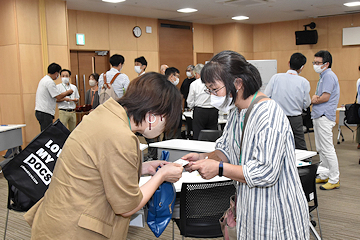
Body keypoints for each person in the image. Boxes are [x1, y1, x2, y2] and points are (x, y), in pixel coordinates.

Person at [24, 72, 184, 240]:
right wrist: (161, 175)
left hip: (57, 218)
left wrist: (144, 167)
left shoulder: (106, 114)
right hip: (74, 230)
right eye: (166, 122)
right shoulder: (121, 136)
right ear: (153, 117)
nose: (165, 128)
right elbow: (128, 206)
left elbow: (98, 164)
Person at [182, 50, 309, 239]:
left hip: (275, 212)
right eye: (209, 90)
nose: (212, 96)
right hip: (250, 207)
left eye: (215, 89)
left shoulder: (268, 114)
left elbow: (265, 173)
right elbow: (225, 148)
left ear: (238, 83)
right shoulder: (237, 112)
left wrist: (219, 168)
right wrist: (203, 158)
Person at [264, 52, 311, 150]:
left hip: (277, 117)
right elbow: (306, 103)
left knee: (276, 143)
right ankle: (305, 164)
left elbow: (266, 96)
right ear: (302, 67)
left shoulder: (276, 78)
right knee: (299, 144)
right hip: (295, 118)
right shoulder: (304, 82)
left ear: (289, 63)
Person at [312, 50, 340, 190]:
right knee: (321, 148)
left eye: (318, 63)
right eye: (314, 62)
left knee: (327, 149)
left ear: (326, 64)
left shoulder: (328, 76)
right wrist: (316, 98)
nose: (315, 65)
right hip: (319, 115)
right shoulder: (323, 76)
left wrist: (314, 99)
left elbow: (324, 97)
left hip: (324, 116)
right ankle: (324, 175)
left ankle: (334, 179)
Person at [35, 63, 74, 131]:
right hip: (45, 112)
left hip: (41, 111)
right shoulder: (50, 82)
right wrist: (67, 92)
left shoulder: (44, 79)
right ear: (56, 73)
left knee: (45, 132)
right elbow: (58, 97)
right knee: (47, 133)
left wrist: (65, 95)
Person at [187, 64, 219, 140]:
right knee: (212, 134)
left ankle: (198, 151)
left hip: (200, 111)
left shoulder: (194, 84)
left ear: (197, 73)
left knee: (198, 135)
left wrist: (190, 107)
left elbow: (190, 101)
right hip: (213, 111)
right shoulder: (214, 82)